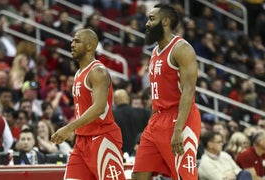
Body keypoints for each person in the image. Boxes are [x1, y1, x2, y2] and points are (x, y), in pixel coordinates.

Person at [132, 4, 201, 180]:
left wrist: (178, 130)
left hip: (180, 118)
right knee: (138, 175)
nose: (147, 23)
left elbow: (189, 90)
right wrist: (151, 123)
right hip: (157, 120)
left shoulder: (181, 48)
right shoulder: (155, 51)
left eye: (152, 19)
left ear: (166, 21)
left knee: (184, 177)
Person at [50, 29, 125, 180]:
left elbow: (99, 108)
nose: (72, 45)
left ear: (90, 46)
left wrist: (69, 128)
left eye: (77, 41)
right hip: (81, 140)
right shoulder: (78, 73)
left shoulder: (98, 72)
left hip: (102, 137)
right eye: (72, 41)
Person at [113, 89, 150, 156]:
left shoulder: (112, 116)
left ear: (115, 101)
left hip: (121, 155)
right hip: (140, 154)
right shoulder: (143, 113)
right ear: (128, 99)